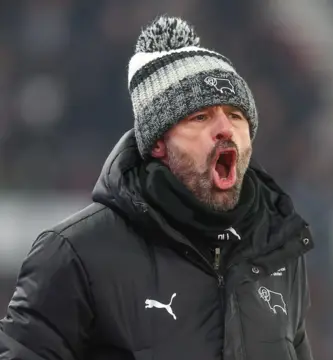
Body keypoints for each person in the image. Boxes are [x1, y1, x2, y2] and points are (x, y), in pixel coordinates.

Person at [0, 16, 314, 360]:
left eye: (237, 115)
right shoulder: (76, 255)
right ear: (159, 144)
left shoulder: (276, 254)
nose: (225, 128)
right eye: (200, 117)